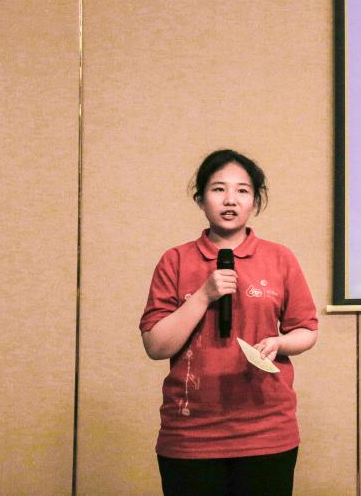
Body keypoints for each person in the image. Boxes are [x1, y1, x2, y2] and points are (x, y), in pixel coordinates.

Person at [140, 149, 318, 495]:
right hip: (190, 434)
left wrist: (279, 343)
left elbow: (307, 330)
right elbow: (156, 346)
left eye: (242, 190)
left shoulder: (279, 258)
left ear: (255, 201)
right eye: (218, 189)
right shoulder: (175, 260)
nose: (230, 200)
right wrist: (203, 295)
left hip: (266, 431)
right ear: (200, 199)